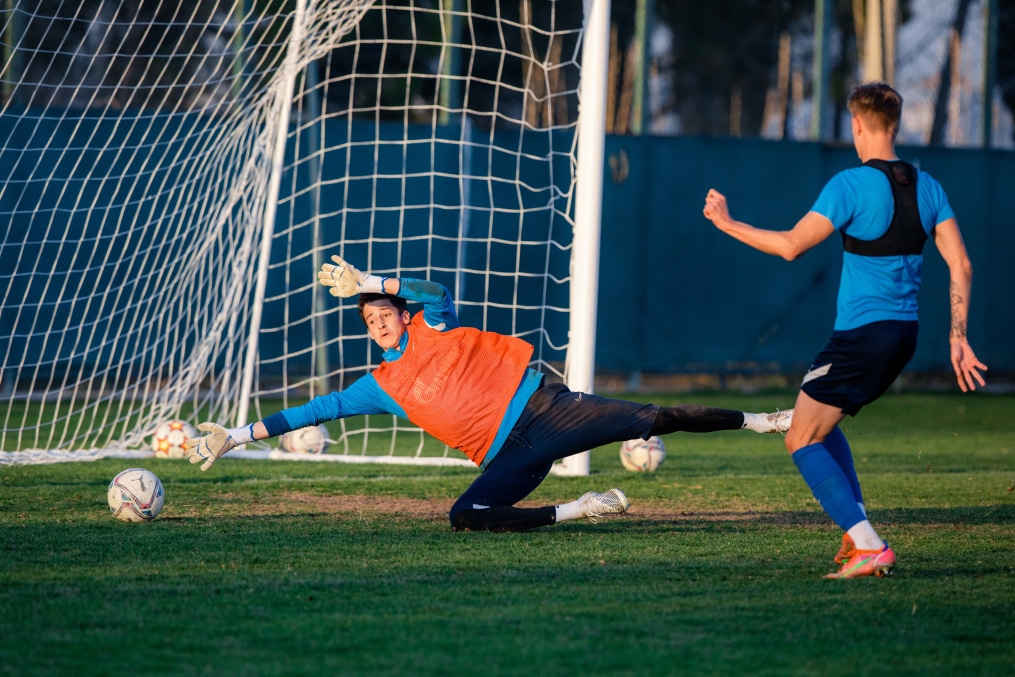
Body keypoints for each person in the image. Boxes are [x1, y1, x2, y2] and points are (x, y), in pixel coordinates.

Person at [185, 255, 794, 532]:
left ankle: (764, 421)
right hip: (511, 454)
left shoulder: (433, 322)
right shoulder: (380, 385)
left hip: (545, 409)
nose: (378, 320)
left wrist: (369, 280)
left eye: (383, 312)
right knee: (465, 517)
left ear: (400, 314)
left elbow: (433, 289)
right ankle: (579, 509)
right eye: (369, 318)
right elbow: (313, 410)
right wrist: (236, 435)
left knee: (656, 417)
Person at [702, 81, 987, 579]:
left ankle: (869, 544)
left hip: (862, 336)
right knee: (819, 420)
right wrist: (958, 336)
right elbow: (961, 264)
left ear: (857, 125)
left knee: (800, 436)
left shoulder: (850, 184)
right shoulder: (929, 186)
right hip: (903, 336)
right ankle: (856, 534)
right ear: (894, 124)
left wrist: (727, 224)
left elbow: (791, 245)